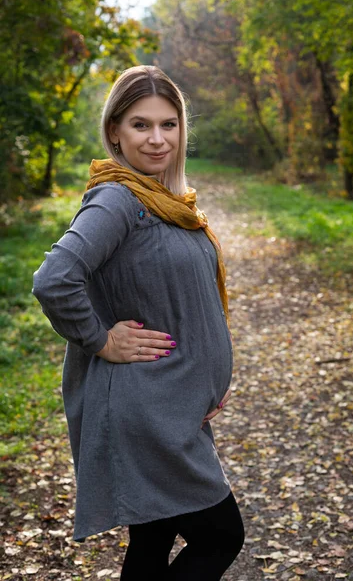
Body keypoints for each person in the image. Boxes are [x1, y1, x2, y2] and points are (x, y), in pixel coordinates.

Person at [32, 65, 244, 580]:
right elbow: (55, 278)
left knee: (152, 540)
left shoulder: (165, 203)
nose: (156, 139)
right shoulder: (119, 199)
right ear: (114, 133)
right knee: (221, 535)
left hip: (170, 404)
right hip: (143, 408)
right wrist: (100, 339)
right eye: (140, 125)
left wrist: (203, 380)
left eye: (168, 125)